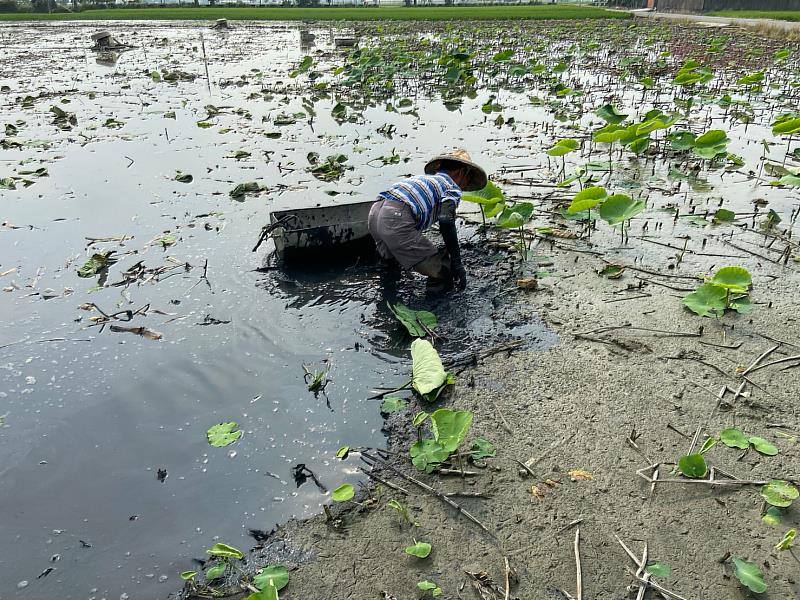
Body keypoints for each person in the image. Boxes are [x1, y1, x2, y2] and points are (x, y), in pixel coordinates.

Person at [368, 149, 487, 292]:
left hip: (375, 213)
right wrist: (456, 262)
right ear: (461, 173)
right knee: (442, 270)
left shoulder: (423, 179)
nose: (464, 185)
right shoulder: (452, 187)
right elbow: (446, 220)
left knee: (389, 266)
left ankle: (387, 302)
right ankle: (439, 310)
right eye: (468, 179)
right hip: (396, 219)